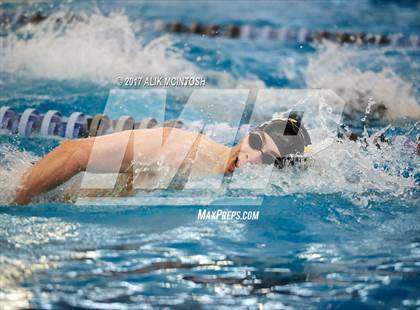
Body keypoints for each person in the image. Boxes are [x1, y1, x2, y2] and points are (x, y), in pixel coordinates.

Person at [14, 117, 311, 204]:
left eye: (269, 159)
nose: (251, 157)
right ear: (249, 133)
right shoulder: (179, 148)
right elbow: (72, 152)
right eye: (257, 143)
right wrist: (15, 202)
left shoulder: (226, 188)